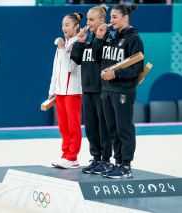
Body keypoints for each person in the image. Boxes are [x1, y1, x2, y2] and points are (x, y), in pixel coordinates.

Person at [93, 3, 144, 178]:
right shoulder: (111, 37)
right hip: (107, 90)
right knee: (112, 129)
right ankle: (117, 163)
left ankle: (126, 166)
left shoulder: (134, 40)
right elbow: (97, 58)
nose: (111, 20)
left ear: (125, 17)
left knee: (124, 128)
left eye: (115, 17)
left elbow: (136, 69)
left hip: (122, 91)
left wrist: (115, 74)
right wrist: (99, 39)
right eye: (111, 17)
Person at [70, 4, 112, 175]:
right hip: (87, 87)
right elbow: (76, 59)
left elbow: (100, 56)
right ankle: (95, 158)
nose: (88, 22)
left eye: (91, 19)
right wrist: (80, 42)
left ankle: (105, 160)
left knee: (103, 127)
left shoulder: (108, 37)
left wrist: (99, 38)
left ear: (102, 20)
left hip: (101, 89)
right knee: (91, 127)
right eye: (87, 19)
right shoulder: (86, 38)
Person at [49, 12, 83, 169]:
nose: (64, 28)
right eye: (63, 25)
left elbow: (70, 67)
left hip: (73, 91)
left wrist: (62, 49)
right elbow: (56, 70)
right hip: (61, 91)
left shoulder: (79, 44)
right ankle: (65, 155)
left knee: (72, 125)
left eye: (67, 25)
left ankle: (72, 157)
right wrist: (52, 89)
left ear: (77, 26)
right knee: (63, 126)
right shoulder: (63, 45)